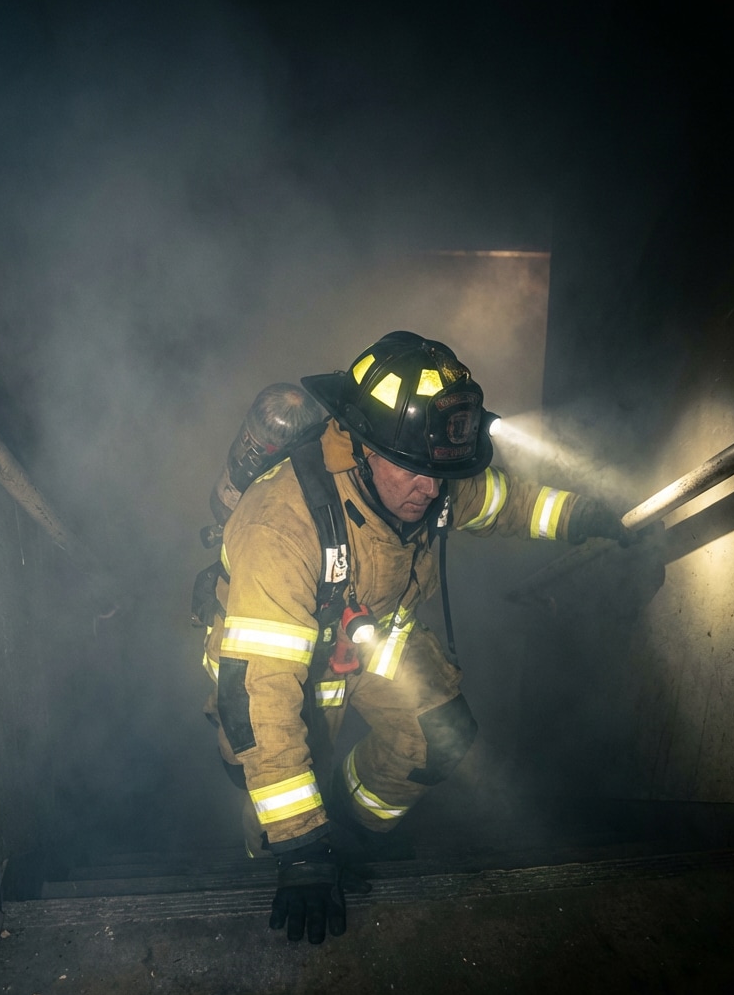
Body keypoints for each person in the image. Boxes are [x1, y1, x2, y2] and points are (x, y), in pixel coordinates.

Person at [201, 331, 629, 944]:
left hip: (369, 637)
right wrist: (301, 854)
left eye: (441, 475)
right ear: (361, 445)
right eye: (416, 473)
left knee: (438, 737)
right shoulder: (283, 522)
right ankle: (271, 868)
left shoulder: (426, 478)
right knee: (277, 796)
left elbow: (505, 502)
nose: (431, 492)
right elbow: (259, 697)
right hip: (267, 665)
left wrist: (589, 518)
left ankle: (352, 827)